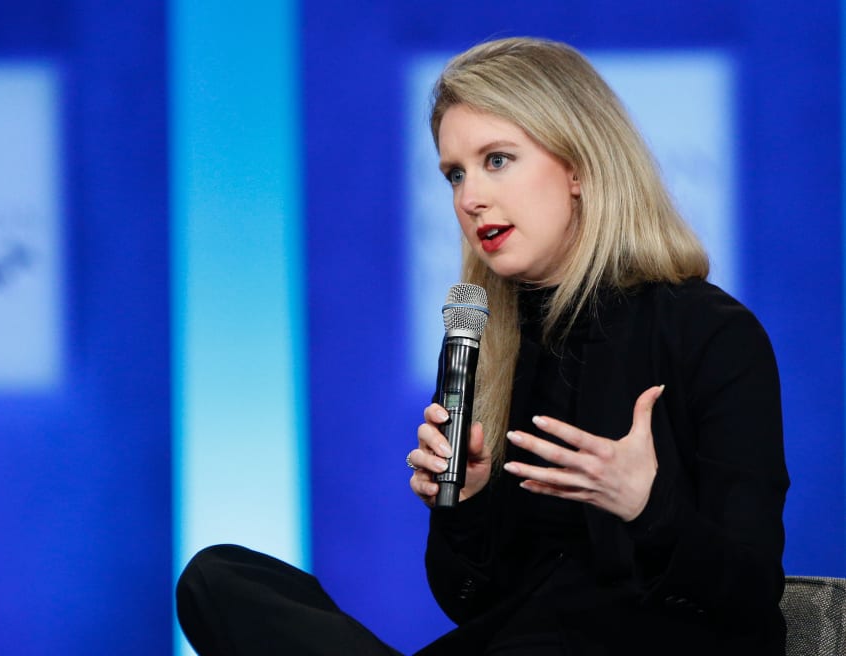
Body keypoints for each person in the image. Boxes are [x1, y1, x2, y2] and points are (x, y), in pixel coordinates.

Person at [176, 36, 789, 655]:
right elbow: (468, 602)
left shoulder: (709, 331)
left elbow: (750, 595)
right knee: (218, 578)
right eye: (454, 174)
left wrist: (646, 505)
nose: (470, 198)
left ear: (579, 166)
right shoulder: (482, 347)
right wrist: (465, 507)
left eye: (497, 160)